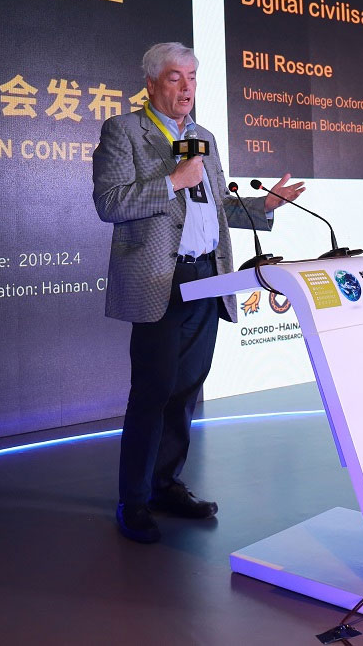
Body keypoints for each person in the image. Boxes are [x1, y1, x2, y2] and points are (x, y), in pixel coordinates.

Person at [92, 42, 304, 543]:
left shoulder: (201, 137)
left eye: (192, 77)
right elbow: (109, 203)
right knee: (153, 391)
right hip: (160, 280)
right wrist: (172, 181)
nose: (187, 87)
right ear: (151, 84)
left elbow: (216, 208)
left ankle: (165, 485)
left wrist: (265, 205)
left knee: (186, 389)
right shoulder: (124, 131)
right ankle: (133, 501)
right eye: (175, 77)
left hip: (210, 277)